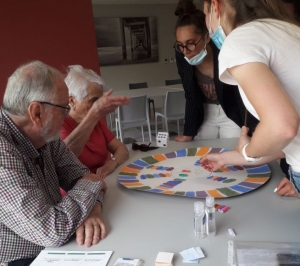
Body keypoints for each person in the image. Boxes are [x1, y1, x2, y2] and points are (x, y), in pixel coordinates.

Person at [0, 61, 128, 265]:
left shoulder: (44, 135)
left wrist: (93, 209)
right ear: (37, 113)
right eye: (63, 108)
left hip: (62, 237)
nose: (67, 115)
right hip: (26, 255)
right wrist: (91, 184)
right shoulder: (2, 153)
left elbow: (82, 175)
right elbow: (53, 231)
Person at [200, 0, 300, 198]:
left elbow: (282, 128)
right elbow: (289, 142)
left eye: (205, 14)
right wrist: (230, 158)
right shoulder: (290, 31)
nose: (207, 23)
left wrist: (248, 152)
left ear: (215, 6)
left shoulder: (240, 39)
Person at [173, 0, 258, 142]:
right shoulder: (181, 54)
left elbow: (240, 92)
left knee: (232, 149)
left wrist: (252, 128)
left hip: (231, 110)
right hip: (205, 112)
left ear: (206, 37)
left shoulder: (223, 48)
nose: (186, 51)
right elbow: (190, 94)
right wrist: (189, 131)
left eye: (190, 43)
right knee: (203, 154)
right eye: (180, 45)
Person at [61, 65, 129, 179]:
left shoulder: (94, 122)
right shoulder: (60, 125)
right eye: (93, 101)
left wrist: (112, 163)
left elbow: (122, 149)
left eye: (99, 100)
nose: (98, 106)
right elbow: (64, 158)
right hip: (79, 191)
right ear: (71, 101)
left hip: (104, 182)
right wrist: (93, 115)